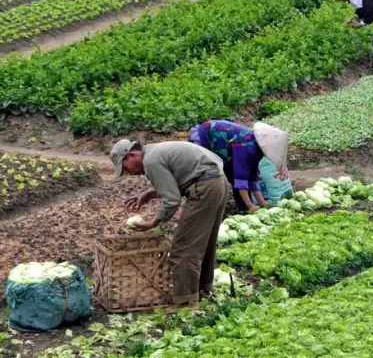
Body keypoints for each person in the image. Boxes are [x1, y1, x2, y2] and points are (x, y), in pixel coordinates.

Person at [112, 139, 230, 308]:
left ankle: (187, 302)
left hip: (205, 187)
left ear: (131, 155)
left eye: (125, 167)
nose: (127, 173)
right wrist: (153, 193)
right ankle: (203, 289)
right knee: (205, 243)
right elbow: (182, 177)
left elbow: (172, 200)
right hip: (218, 182)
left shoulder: (150, 161)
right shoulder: (155, 151)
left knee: (183, 248)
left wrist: (154, 222)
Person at [188, 120, 290, 213]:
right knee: (210, 176)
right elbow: (241, 177)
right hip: (207, 138)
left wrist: (262, 202)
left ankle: (243, 206)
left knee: (239, 173)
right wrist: (251, 206)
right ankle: (205, 208)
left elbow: (252, 176)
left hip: (224, 146)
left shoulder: (256, 148)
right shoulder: (247, 146)